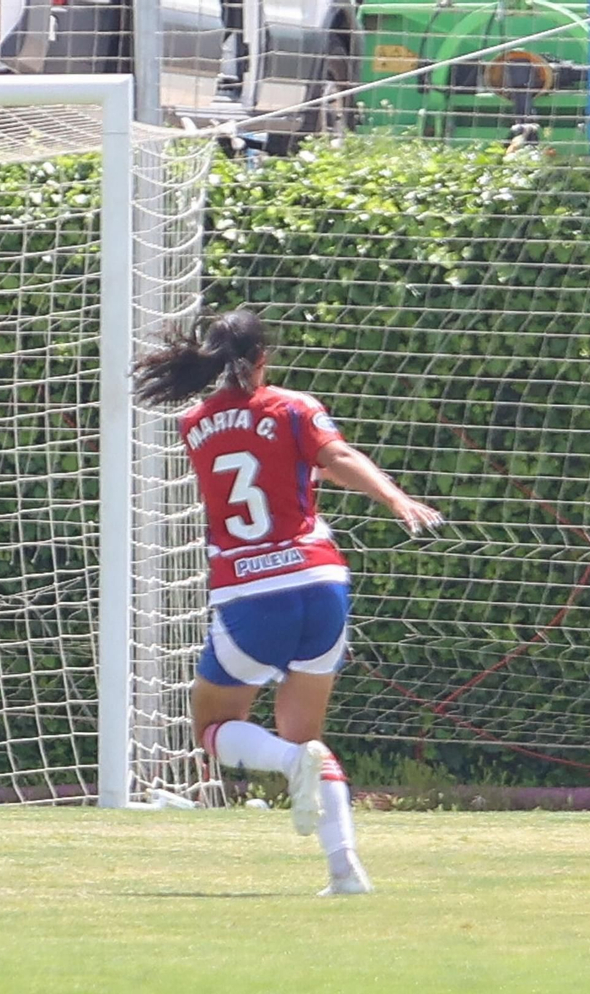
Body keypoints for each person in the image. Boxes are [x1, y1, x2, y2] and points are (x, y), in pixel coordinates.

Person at [135, 309, 442, 895]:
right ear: (262, 359)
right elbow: (334, 458)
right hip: (322, 584)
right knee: (306, 735)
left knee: (215, 726)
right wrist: (395, 497)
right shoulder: (294, 406)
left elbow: (255, 467)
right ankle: (344, 868)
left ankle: (286, 768)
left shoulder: (194, 423)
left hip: (251, 589)